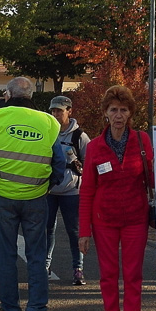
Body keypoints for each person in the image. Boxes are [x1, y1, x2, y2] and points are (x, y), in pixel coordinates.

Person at [0, 77, 66, 311]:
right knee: (36, 255)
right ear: (31, 95)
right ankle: (37, 310)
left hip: (3, 196)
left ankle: (10, 310)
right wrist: (48, 185)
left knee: (6, 255)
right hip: (36, 197)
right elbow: (59, 161)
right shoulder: (48, 122)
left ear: (7, 95)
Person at [78, 86, 154, 311]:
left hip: (135, 218)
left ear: (130, 113)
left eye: (123, 110)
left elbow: (154, 179)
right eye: (114, 110)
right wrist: (83, 230)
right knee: (108, 276)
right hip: (104, 220)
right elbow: (87, 189)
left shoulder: (142, 141)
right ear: (105, 114)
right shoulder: (96, 147)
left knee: (133, 275)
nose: (119, 115)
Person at [44, 95, 90, 286]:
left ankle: (78, 268)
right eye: (53, 111)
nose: (55, 114)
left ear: (69, 111)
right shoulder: (47, 132)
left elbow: (90, 164)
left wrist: (78, 166)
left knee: (74, 231)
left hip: (72, 191)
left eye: (59, 111)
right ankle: (44, 266)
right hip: (49, 190)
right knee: (47, 230)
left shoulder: (80, 136)